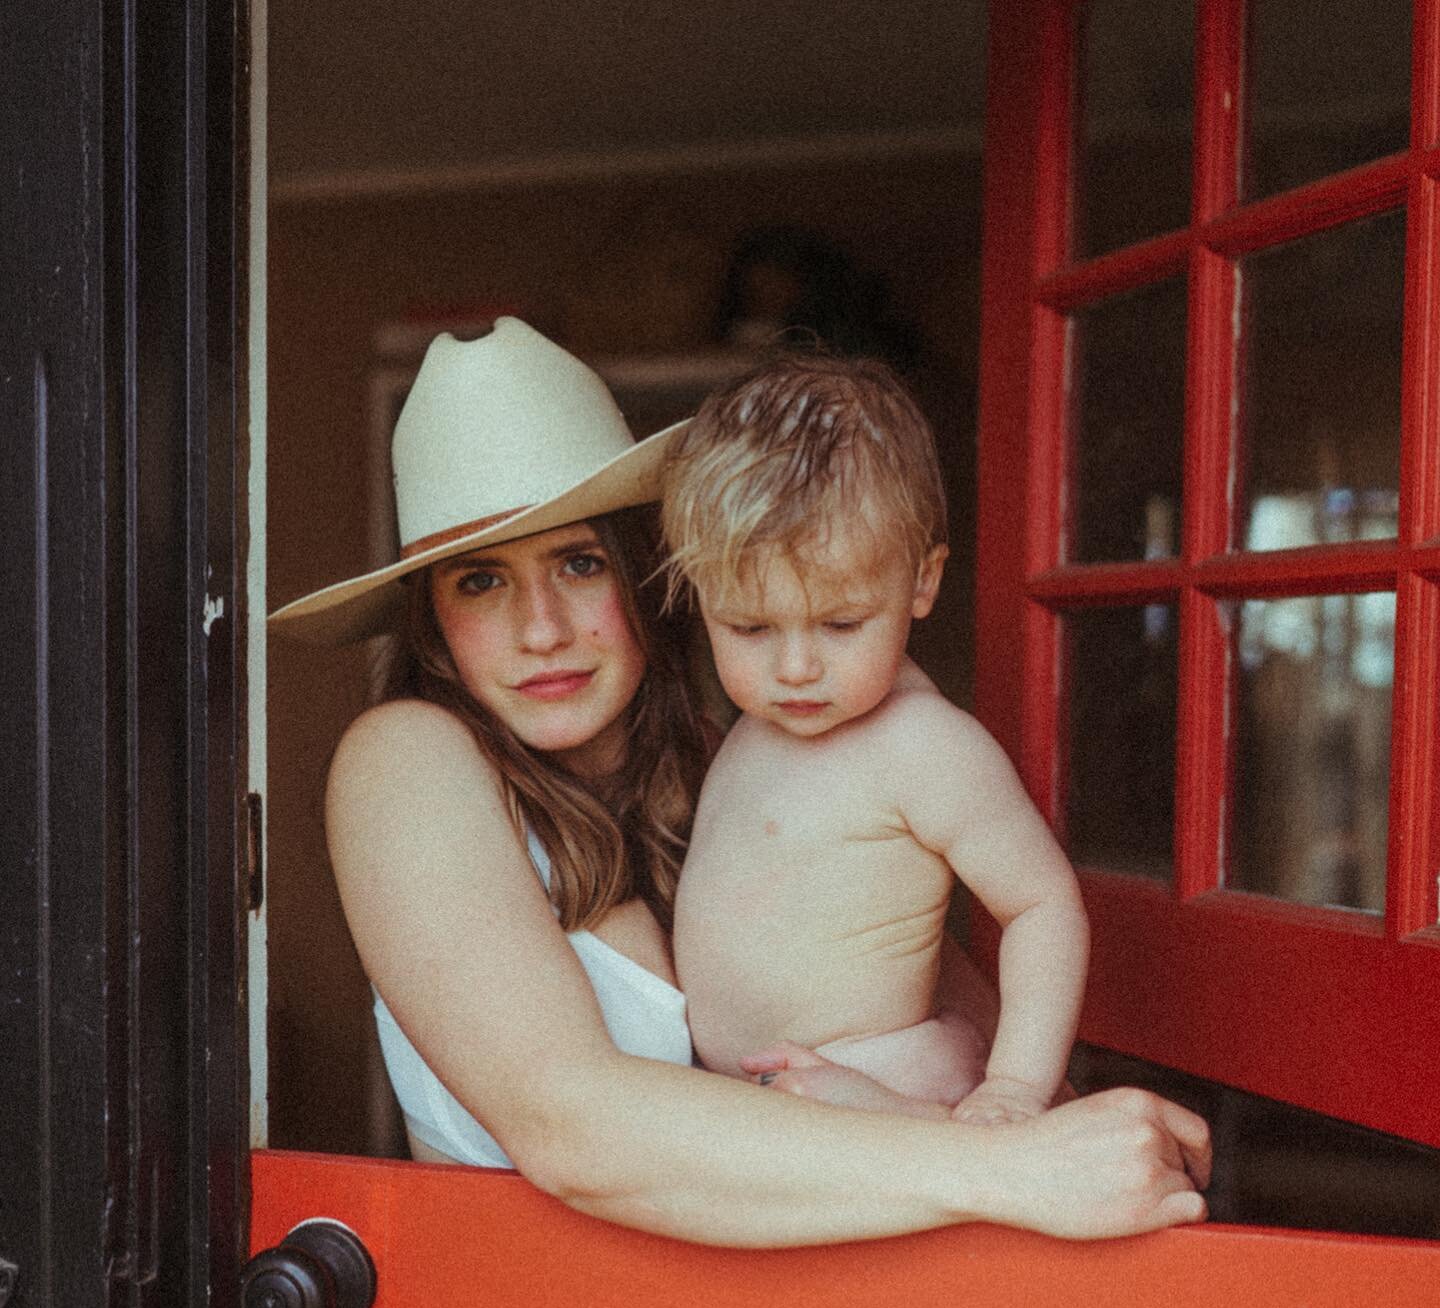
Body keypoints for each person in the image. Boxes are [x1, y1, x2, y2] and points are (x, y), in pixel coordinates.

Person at [269, 317, 1209, 1248]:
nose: (543, 628)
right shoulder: (406, 757)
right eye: (482, 582)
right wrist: (1012, 1172)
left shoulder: (750, 760)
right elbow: (575, 1130)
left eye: (580, 562)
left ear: (657, 573)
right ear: (431, 618)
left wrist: (1103, 1148)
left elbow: (969, 1043)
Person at [663, 351, 1084, 1127]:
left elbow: (1042, 906)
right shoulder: (751, 726)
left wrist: (1017, 1087)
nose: (795, 668)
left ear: (921, 584)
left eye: (841, 624)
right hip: (751, 1098)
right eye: (750, 627)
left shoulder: (924, 746)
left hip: (886, 1078)